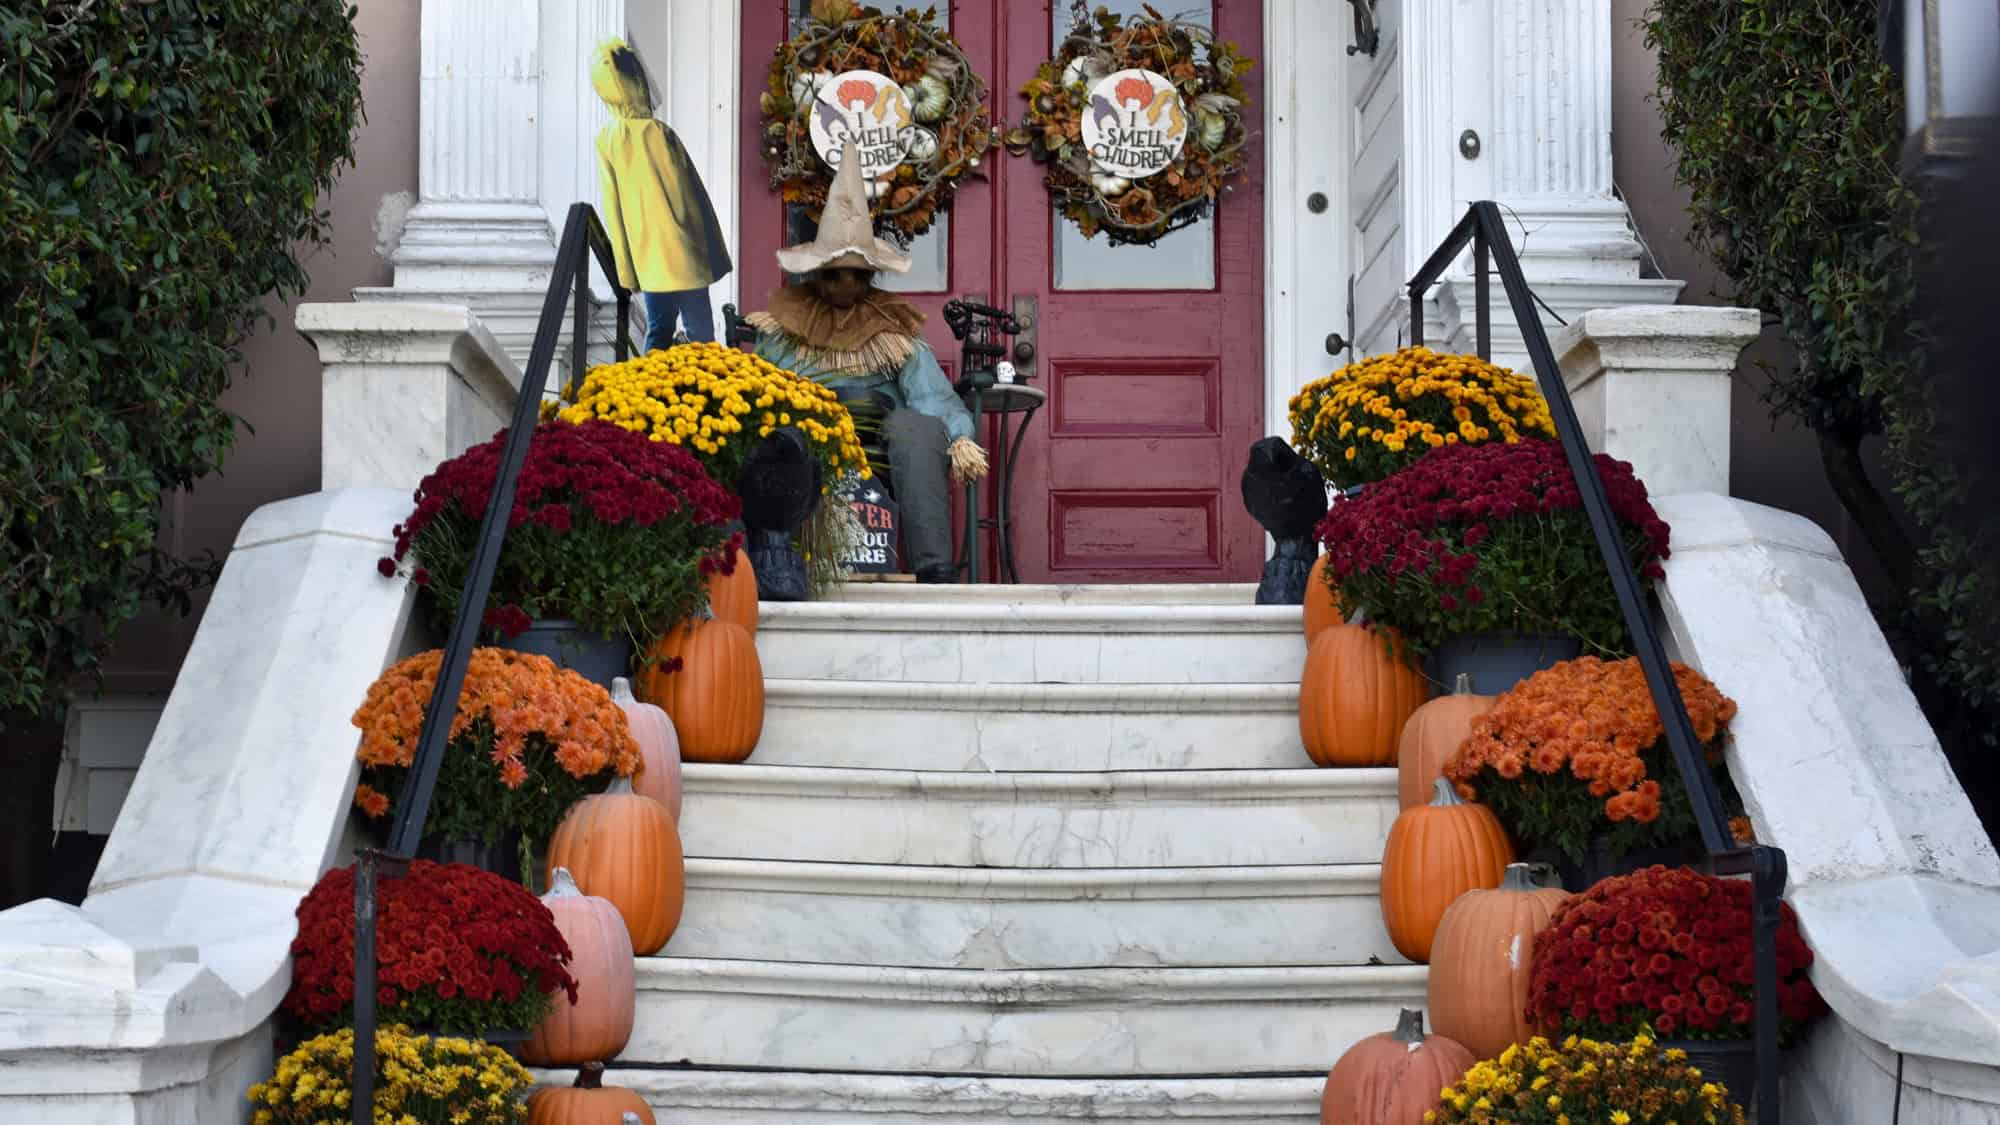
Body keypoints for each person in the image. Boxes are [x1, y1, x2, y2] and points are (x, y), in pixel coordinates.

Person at [745, 140, 987, 583]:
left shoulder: (894, 338)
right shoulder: (781, 334)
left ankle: (932, 565)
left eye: (856, 276)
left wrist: (959, 436)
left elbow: (934, 398)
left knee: (917, 427)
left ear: (871, 277)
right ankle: (775, 561)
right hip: (807, 438)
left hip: (881, 436)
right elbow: (756, 394)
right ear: (815, 273)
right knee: (777, 434)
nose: (843, 287)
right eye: (833, 274)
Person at [589, 39, 732, 351]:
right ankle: (706, 394)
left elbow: (613, 209)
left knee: (659, 329)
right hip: (684, 251)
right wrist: (708, 248)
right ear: (637, 82)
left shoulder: (606, 140)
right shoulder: (660, 132)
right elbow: (692, 198)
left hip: (648, 253)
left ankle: (652, 396)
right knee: (701, 333)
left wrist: (626, 269)